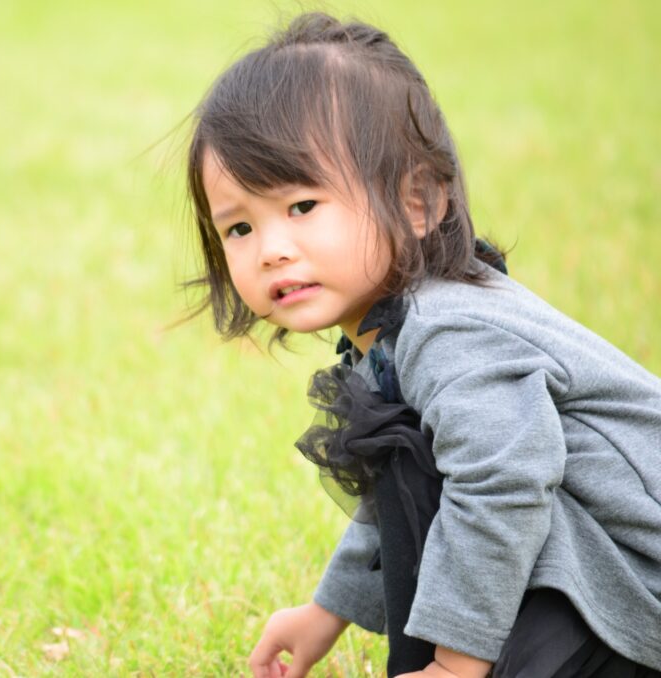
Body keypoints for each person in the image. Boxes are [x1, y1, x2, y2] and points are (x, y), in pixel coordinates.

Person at [183, 11, 661, 678]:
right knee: (402, 447)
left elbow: (506, 481)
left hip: (637, 584)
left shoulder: (449, 329)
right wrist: (326, 610)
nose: (271, 251)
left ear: (417, 204)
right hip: (605, 571)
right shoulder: (392, 330)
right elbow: (400, 490)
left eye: (301, 207)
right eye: (238, 228)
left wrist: (457, 664)